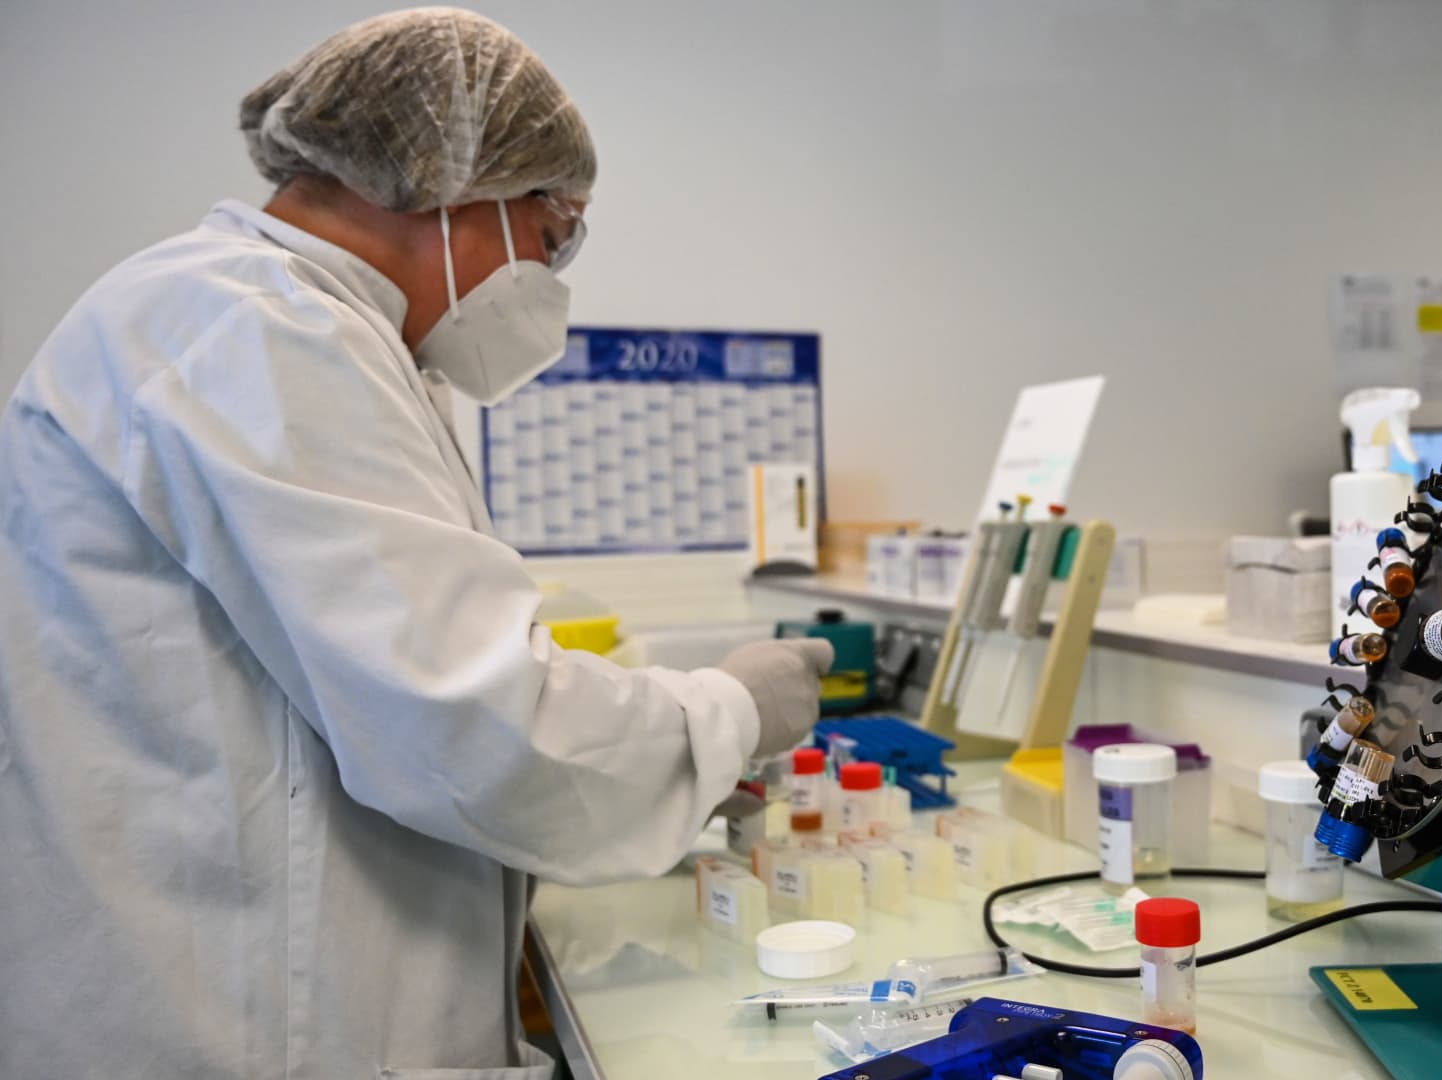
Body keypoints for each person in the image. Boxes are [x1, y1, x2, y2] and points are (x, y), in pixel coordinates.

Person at [0, 9, 830, 1078]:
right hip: (236, 1028)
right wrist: (727, 712)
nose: (551, 271)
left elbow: (409, 671)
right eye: (554, 231)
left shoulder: (268, 324)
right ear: (453, 179)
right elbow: (478, 725)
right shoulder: (258, 330)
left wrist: (673, 759)